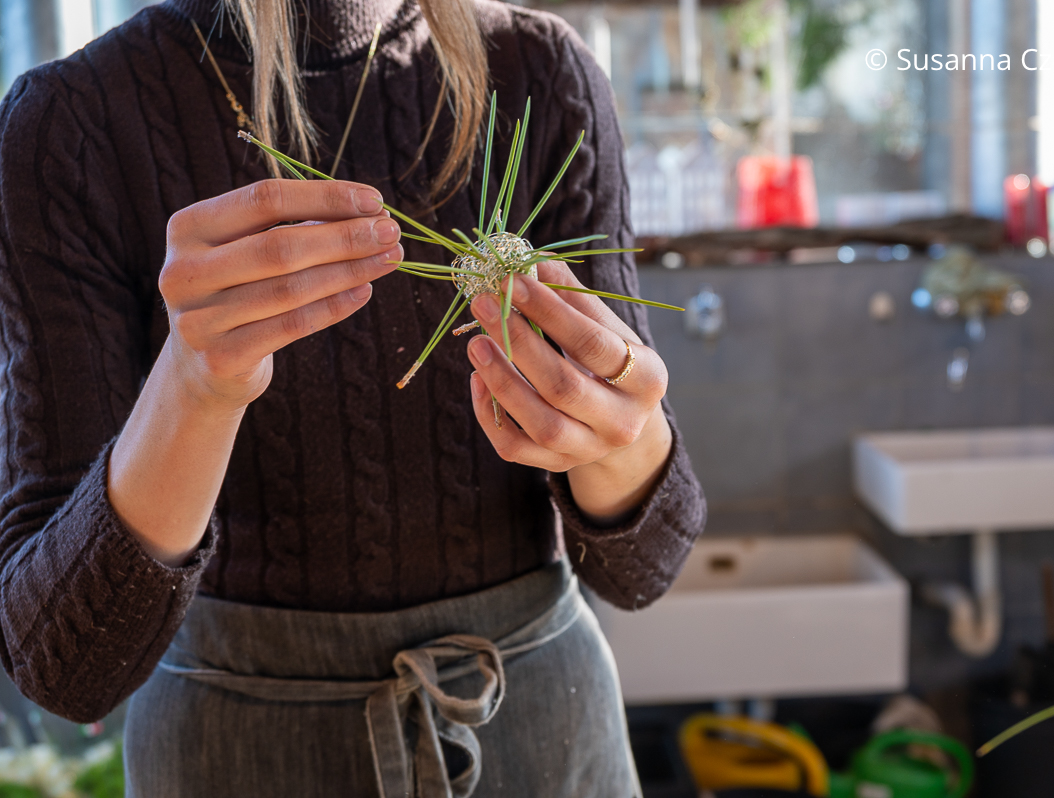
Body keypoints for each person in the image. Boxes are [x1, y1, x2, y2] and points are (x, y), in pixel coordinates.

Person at [0, 0, 706, 795]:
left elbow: (646, 565)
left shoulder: (539, 69)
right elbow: (65, 668)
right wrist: (195, 385)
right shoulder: (70, 120)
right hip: (237, 753)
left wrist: (620, 431)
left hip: (539, 726)